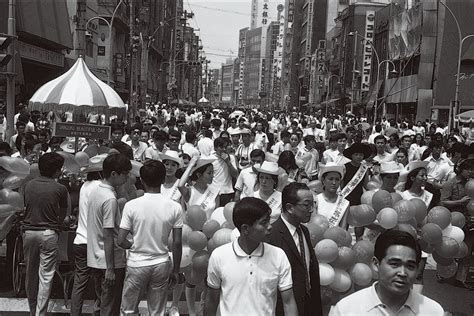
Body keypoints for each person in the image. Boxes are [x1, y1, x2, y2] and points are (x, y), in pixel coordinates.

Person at [204, 197, 298, 315]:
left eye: (269, 221)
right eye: (263, 223)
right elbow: (212, 300)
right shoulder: (219, 256)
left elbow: (288, 302)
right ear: (245, 229)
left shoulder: (278, 256)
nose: (270, 227)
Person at [118, 160, 183, 315]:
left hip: (137, 262)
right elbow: (178, 242)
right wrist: (176, 270)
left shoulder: (131, 205)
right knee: (157, 311)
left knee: (128, 310)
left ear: (142, 180)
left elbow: (120, 240)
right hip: (161, 262)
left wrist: (133, 246)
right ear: (162, 179)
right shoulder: (175, 206)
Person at [329, 230, 444, 316]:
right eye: (394, 264)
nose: (402, 273)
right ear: (376, 264)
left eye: (410, 266)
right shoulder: (346, 310)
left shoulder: (433, 311)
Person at [23, 152, 69, 315]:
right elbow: (62, 214)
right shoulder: (60, 188)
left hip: (29, 232)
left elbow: (26, 206)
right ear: (57, 171)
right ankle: (40, 313)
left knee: (30, 275)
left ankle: (31, 310)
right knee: (46, 276)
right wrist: (58, 223)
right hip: (49, 233)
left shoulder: (28, 185)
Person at [267, 182, 323, 316]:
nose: (311, 210)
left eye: (313, 204)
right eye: (306, 205)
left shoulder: (304, 231)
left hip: (309, 306)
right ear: (290, 207)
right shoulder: (271, 235)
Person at [87, 153, 132, 315]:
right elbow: (108, 234)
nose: (127, 178)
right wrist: (111, 268)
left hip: (96, 258)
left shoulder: (94, 191)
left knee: (100, 304)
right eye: (125, 174)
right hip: (110, 261)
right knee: (110, 307)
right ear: (114, 173)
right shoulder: (109, 199)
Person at [70, 154, 106, 316]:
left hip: (80, 240)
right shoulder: (102, 188)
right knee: (102, 283)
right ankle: (98, 311)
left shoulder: (84, 186)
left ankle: (75, 313)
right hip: (97, 243)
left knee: (80, 283)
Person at [440, 158, 474, 289]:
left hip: (469, 220)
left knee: (467, 250)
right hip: (454, 220)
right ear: (461, 169)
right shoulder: (451, 183)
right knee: (449, 247)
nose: (471, 172)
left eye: (473, 169)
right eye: (469, 169)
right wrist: (460, 201)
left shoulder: (472, 183)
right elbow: (443, 201)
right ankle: (444, 272)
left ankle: (461, 278)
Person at [315, 163, 349, 228]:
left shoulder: (345, 203)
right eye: (330, 179)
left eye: (337, 179)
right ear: (323, 180)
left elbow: (343, 229)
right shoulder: (316, 200)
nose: (334, 183)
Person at [211, 137, 238, 205]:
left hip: (227, 192)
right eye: (221, 147)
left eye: (225, 147)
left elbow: (234, 174)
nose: (224, 149)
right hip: (214, 193)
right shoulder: (211, 159)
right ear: (215, 148)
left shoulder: (231, 158)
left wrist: (228, 162)